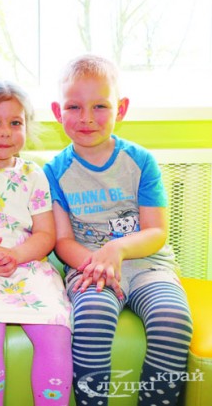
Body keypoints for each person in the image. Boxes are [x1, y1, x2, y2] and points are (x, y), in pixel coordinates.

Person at [43, 54, 193, 404]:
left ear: (121, 109)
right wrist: (98, 264)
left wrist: (118, 249)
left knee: (173, 319)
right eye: (74, 107)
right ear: (58, 112)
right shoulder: (54, 171)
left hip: (149, 266)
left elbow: (156, 232)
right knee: (91, 318)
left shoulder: (140, 161)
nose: (86, 118)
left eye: (99, 106)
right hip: (89, 269)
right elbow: (62, 241)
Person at [0, 82, 72, 405]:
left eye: (15, 123)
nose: (5, 132)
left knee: (57, 331)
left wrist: (14, 254)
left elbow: (46, 235)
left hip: (28, 266)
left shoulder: (33, 175)